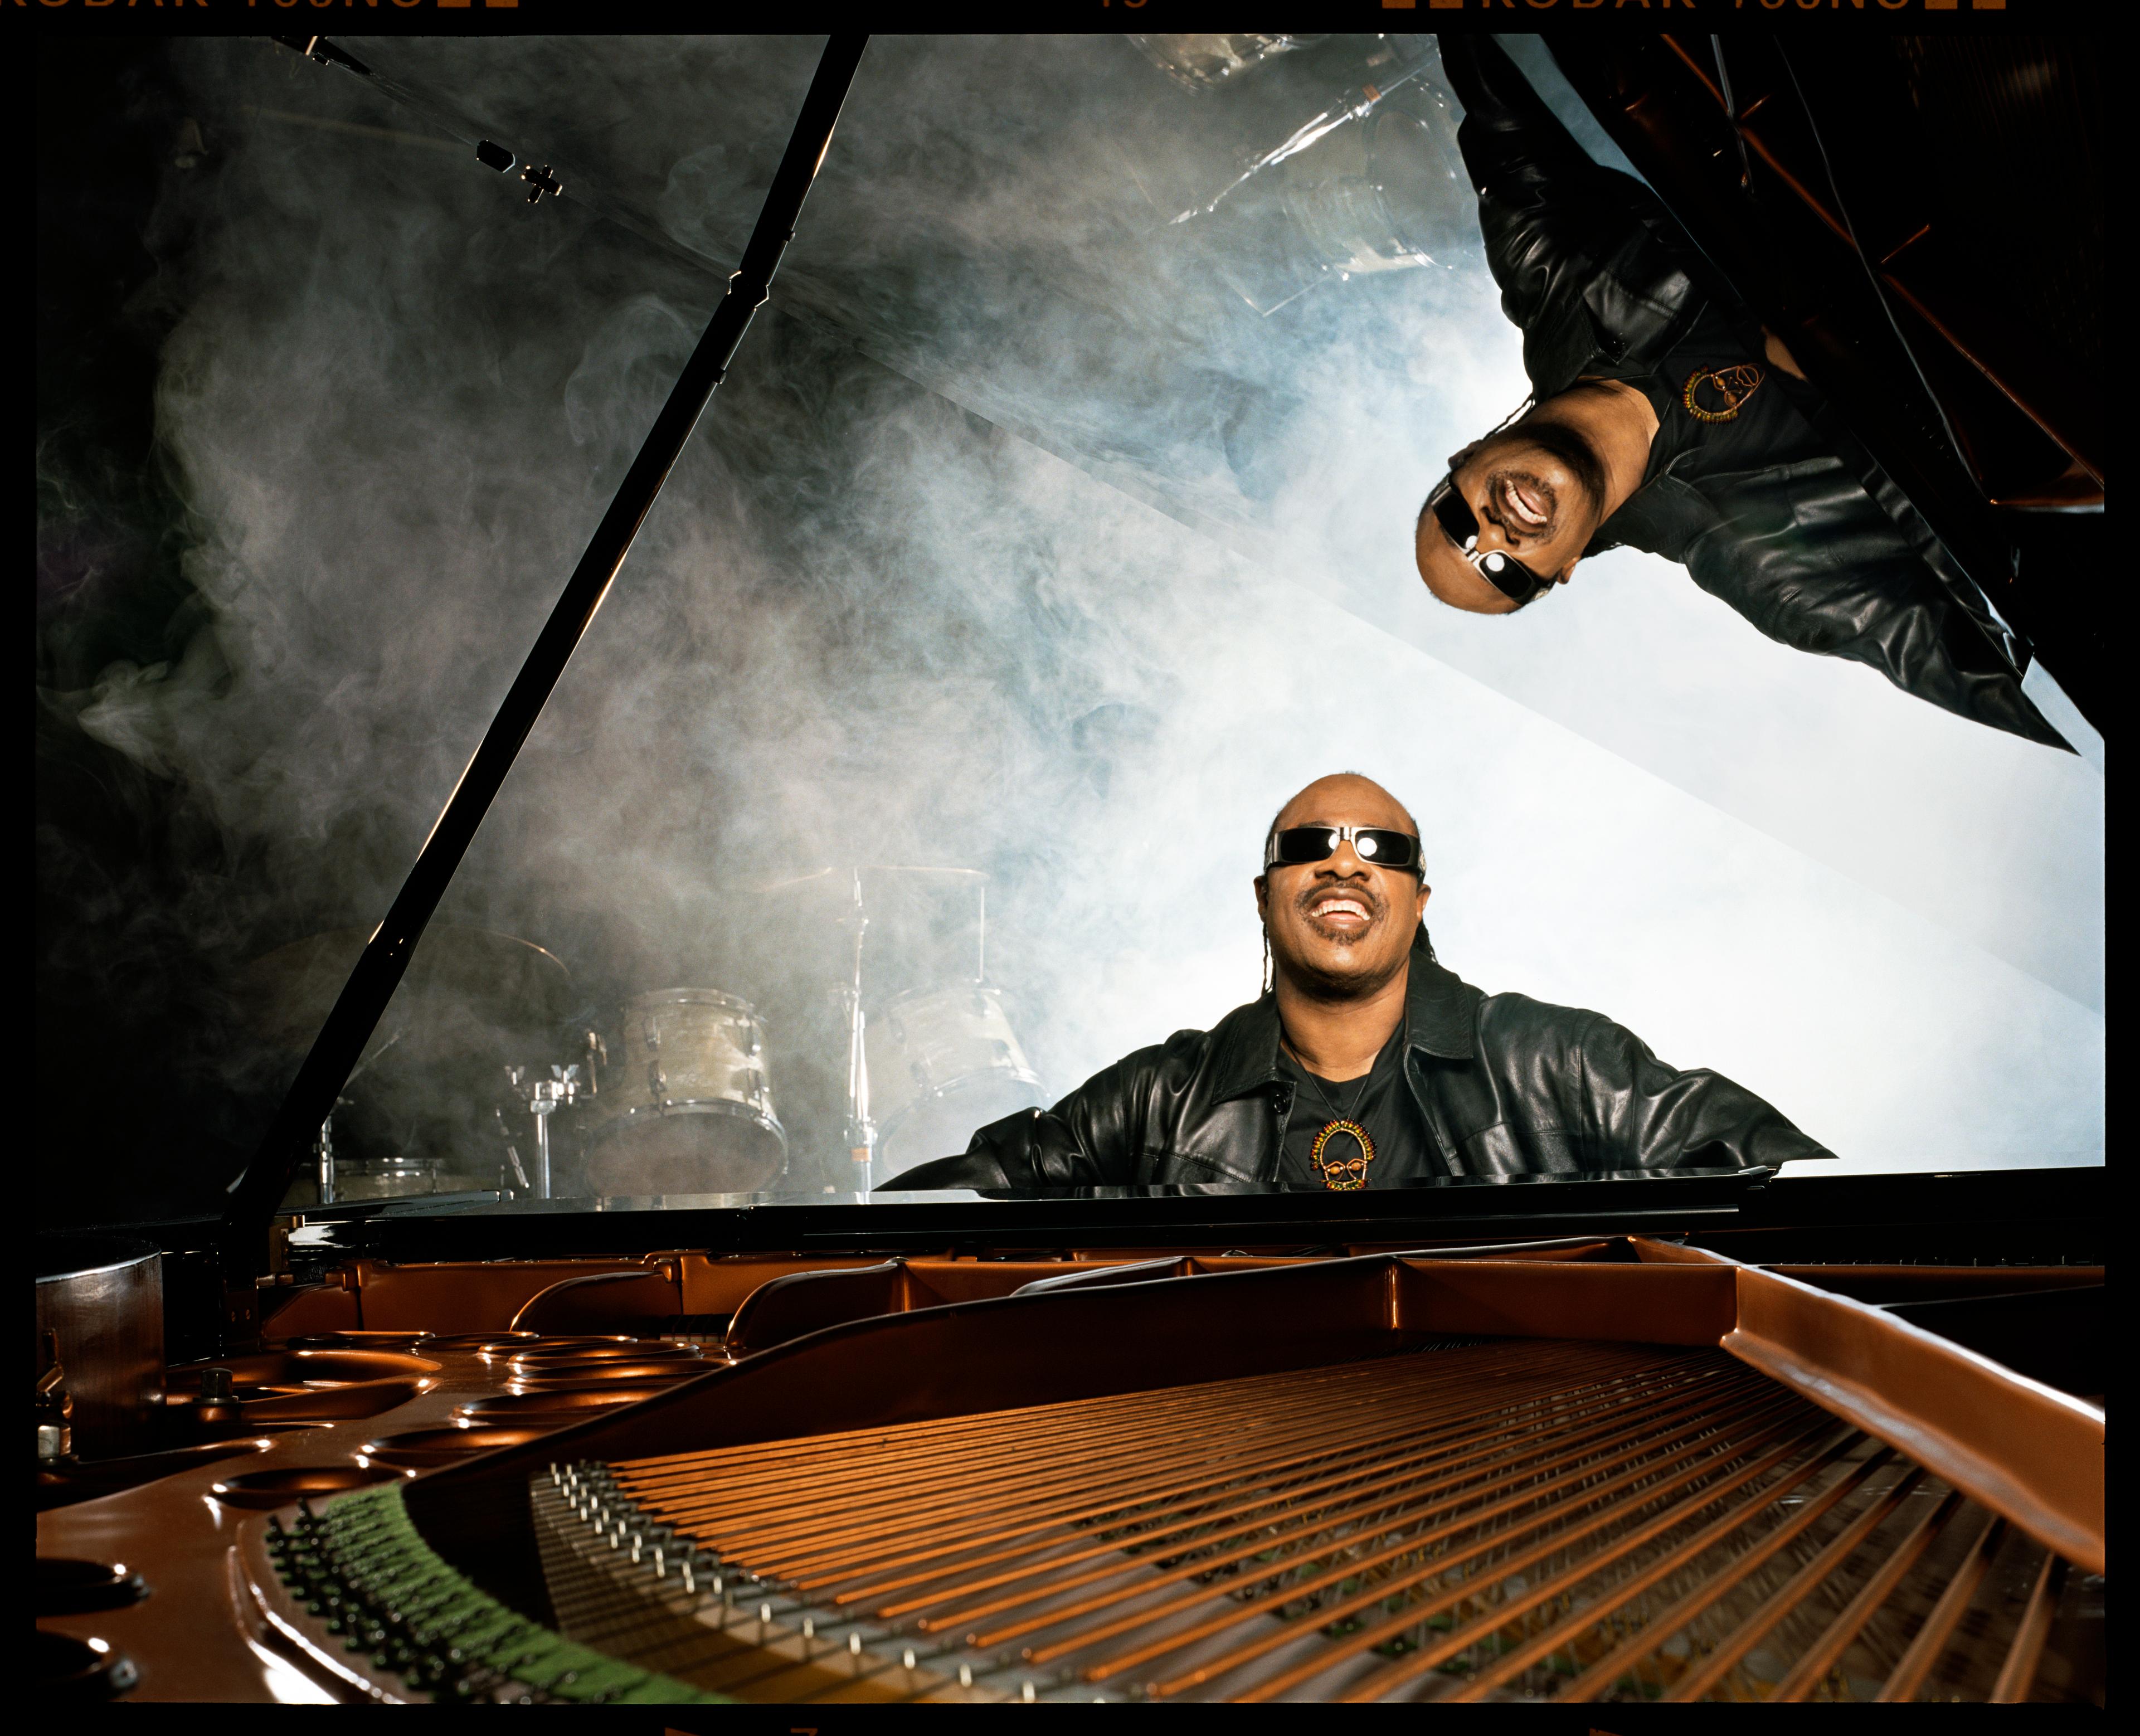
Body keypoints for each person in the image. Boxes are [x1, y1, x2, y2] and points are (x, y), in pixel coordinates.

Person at [1415, 37, 2066, 751]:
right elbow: (2026, 674)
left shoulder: (1546, 259)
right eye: (1505, 573)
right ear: (1562, 570)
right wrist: (1845, 369)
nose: (1493, 536)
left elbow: (1502, 69)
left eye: (1457, 523)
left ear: (1469, 452)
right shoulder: (1784, 577)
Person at [881, 773, 1831, 1192]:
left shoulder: (1560, 1062)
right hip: (1227, 1478)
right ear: (1264, 897)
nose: (1344, 866)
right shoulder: (1166, 1096)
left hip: (1519, 1455)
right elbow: (954, 1210)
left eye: (1379, 851)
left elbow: (1787, 1186)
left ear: (1419, 900)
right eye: (1310, 849)